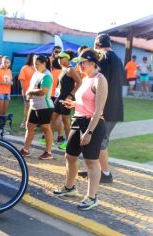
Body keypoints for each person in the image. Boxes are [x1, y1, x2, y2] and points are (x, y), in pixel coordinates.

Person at [54, 49, 108, 210]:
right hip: (78, 120)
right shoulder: (85, 79)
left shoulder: (100, 80)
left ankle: (92, 197)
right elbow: (86, 104)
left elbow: (98, 110)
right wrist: (74, 104)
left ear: (92, 62)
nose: (79, 65)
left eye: (82, 62)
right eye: (79, 62)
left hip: (93, 124)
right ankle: (70, 187)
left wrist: (89, 132)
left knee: (91, 162)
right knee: (70, 156)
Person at [78, 34, 125, 183]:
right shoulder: (117, 59)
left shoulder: (103, 58)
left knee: (101, 141)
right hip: (116, 106)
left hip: (106, 108)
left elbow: (98, 81)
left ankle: (105, 174)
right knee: (101, 140)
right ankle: (97, 170)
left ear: (97, 45)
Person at [20, 55, 54, 160]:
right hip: (33, 105)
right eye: (34, 64)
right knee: (29, 126)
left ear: (44, 64)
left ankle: (48, 152)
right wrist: (29, 94)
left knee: (45, 128)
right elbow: (32, 87)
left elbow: (43, 92)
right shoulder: (36, 73)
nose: (35, 66)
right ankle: (25, 150)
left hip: (45, 106)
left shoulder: (47, 76)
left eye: (37, 64)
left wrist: (30, 92)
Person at [51, 50, 82, 150]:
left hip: (66, 99)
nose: (59, 60)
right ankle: (49, 138)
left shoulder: (70, 70)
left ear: (68, 58)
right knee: (52, 118)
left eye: (61, 58)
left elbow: (79, 82)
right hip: (60, 97)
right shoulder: (63, 69)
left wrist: (71, 95)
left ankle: (69, 143)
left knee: (66, 121)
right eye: (58, 58)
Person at [18, 53, 35, 129]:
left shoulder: (37, 68)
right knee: (27, 107)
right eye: (34, 58)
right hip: (27, 92)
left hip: (36, 92)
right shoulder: (24, 68)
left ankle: (32, 123)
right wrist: (25, 92)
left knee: (34, 108)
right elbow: (21, 80)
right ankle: (25, 122)